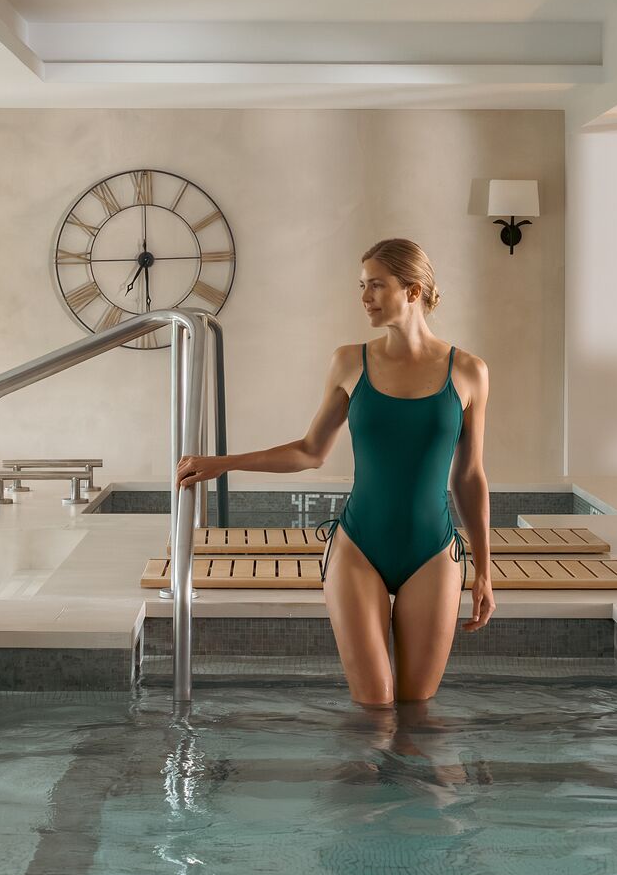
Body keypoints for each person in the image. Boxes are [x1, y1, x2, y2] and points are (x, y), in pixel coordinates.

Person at [176, 238, 493, 705]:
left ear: (413, 290)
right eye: (362, 286)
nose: (364, 297)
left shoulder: (468, 371)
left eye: (376, 286)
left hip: (433, 552)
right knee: (375, 708)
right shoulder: (350, 362)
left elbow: (469, 476)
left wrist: (485, 570)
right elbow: (310, 451)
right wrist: (222, 463)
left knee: (416, 710)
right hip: (358, 547)